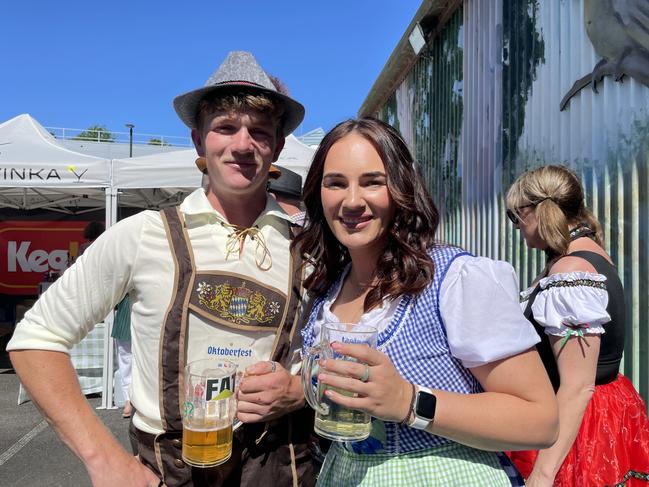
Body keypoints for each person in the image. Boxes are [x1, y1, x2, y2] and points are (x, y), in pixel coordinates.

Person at [8, 51, 315, 487]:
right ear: (198, 141)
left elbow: (335, 351)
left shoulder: (309, 247)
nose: (243, 145)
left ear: (278, 147)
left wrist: (299, 389)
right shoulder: (143, 234)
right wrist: (104, 460)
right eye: (225, 128)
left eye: (260, 132)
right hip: (171, 471)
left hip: (281, 465)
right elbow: (36, 339)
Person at [293, 117, 559, 486]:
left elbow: (540, 420)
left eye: (372, 182)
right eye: (336, 183)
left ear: (401, 187)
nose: (352, 201)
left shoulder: (453, 279)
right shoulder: (326, 290)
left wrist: (409, 401)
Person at [505, 165, 649, 487]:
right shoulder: (592, 255)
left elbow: (576, 386)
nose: (517, 228)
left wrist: (542, 474)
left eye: (516, 216)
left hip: (578, 427)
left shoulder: (570, 270)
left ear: (539, 210)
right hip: (605, 410)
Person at [112, 294, 133, 419]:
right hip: (126, 307)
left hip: (147, 306)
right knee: (126, 358)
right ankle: (128, 399)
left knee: (147, 358)